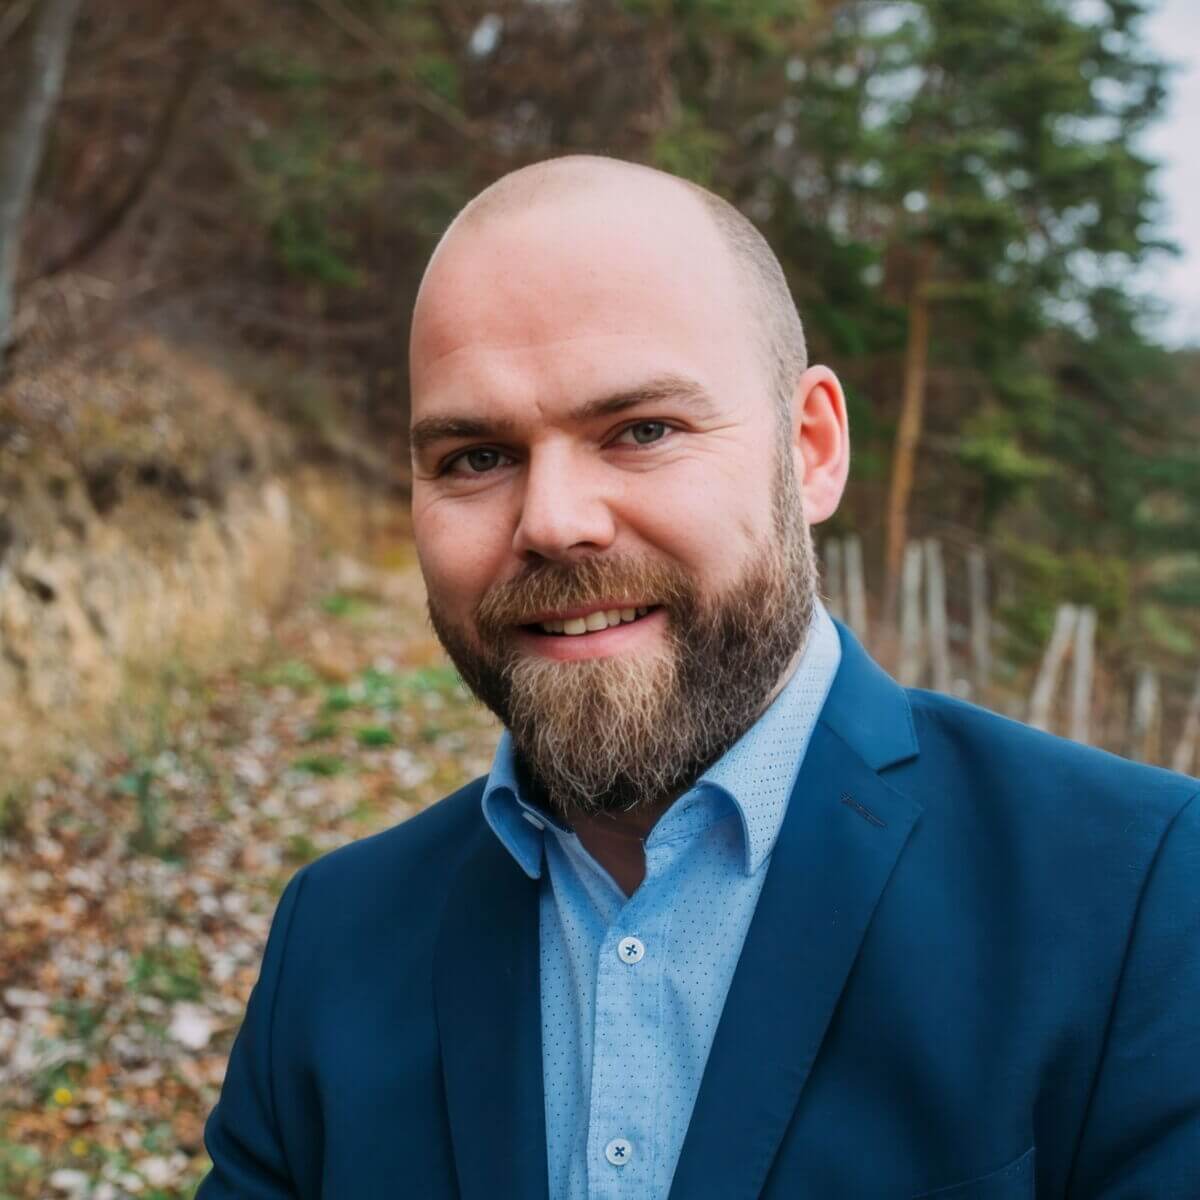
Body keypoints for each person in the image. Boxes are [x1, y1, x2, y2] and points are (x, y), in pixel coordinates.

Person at [198, 156, 1200, 1199]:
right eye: (476, 457)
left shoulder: (1139, 897)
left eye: (642, 431)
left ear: (811, 449)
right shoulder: (334, 940)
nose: (553, 521)